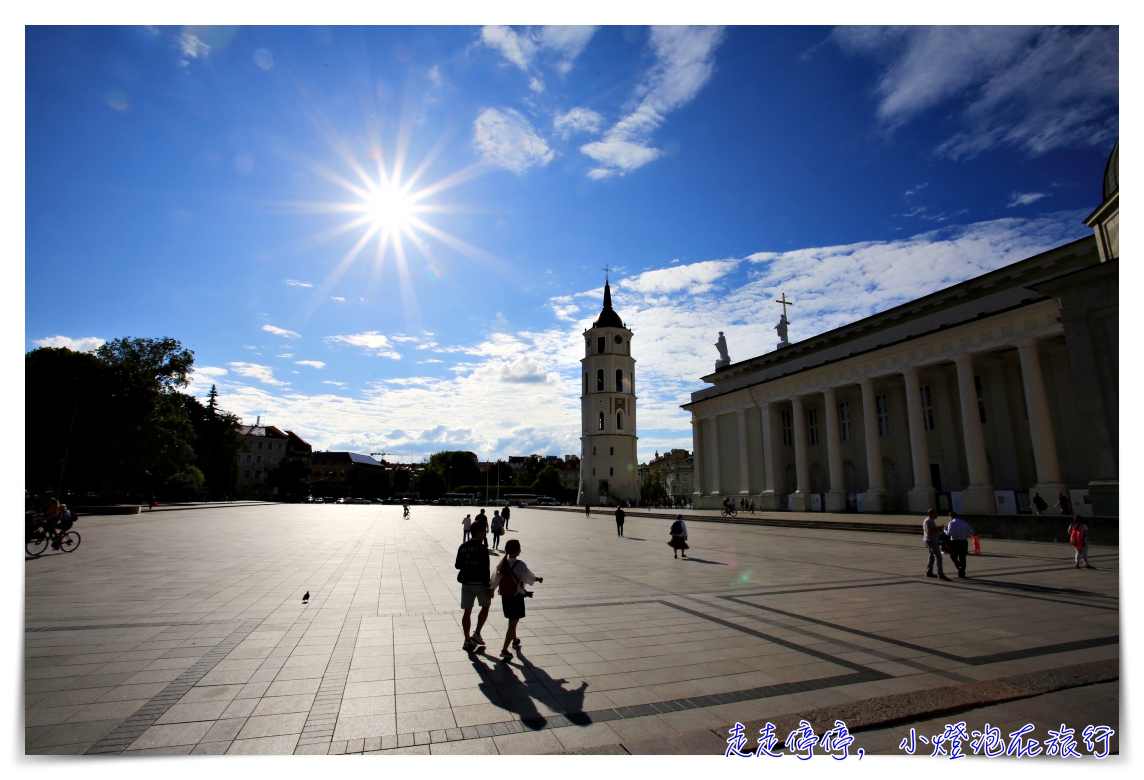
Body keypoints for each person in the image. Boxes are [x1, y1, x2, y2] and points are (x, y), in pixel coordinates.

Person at [490, 539, 542, 660]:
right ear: (517, 550)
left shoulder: (502, 563)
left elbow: (495, 579)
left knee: (511, 621)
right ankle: (504, 649)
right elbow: (529, 578)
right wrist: (537, 579)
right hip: (516, 596)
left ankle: (515, 640)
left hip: (505, 596)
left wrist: (491, 589)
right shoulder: (520, 565)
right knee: (513, 624)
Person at [455, 525, 494, 651]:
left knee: (467, 611)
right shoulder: (482, 548)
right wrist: (489, 587)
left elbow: (457, 565)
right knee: (485, 606)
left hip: (466, 583)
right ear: (478, 532)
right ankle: (477, 633)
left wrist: (467, 564)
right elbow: (486, 568)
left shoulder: (463, 546)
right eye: (483, 531)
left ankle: (467, 639)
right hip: (479, 583)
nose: (484, 534)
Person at [945, 512, 975, 579]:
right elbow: (971, 532)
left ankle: (958, 565)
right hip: (963, 541)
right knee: (962, 557)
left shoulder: (951, 523)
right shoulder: (964, 523)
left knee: (953, 556)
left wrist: (945, 530)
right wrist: (964, 533)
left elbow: (949, 533)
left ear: (951, 516)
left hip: (954, 541)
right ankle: (962, 572)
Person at [923, 509, 951, 581]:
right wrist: (938, 529)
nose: (937, 515)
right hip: (931, 540)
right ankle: (940, 574)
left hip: (931, 540)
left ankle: (929, 572)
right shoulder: (929, 521)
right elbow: (929, 531)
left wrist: (938, 528)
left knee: (932, 556)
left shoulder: (930, 521)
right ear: (932, 514)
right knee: (938, 556)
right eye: (936, 513)